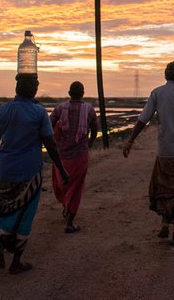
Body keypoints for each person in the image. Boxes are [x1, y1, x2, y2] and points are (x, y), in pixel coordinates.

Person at [0, 74, 69, 274]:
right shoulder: (38, 112)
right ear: (34, 90)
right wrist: (62, 170)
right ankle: (16, 262)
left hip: (4, 170)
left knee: (5, 208)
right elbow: (50, 144)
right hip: (29, 172)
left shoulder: (2, 110)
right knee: (25, 215)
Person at [122, 60, 174, 246]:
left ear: (166, 74)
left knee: (164, 188)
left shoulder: (158, 93)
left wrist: (130, 140)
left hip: (166, 151)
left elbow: (143, 119)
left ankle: (165, 221)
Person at [49, 81, 99, 233]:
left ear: (69, 93)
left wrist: (56, 138)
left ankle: (67, 209)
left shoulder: (59, 108)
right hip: (80, 155)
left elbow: (48, 125)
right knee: (76, 186)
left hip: (62, 155)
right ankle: (69, 221)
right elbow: (95, 129)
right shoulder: (89, 109)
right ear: (82, 93)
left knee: (63, 183)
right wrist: (89, 142)